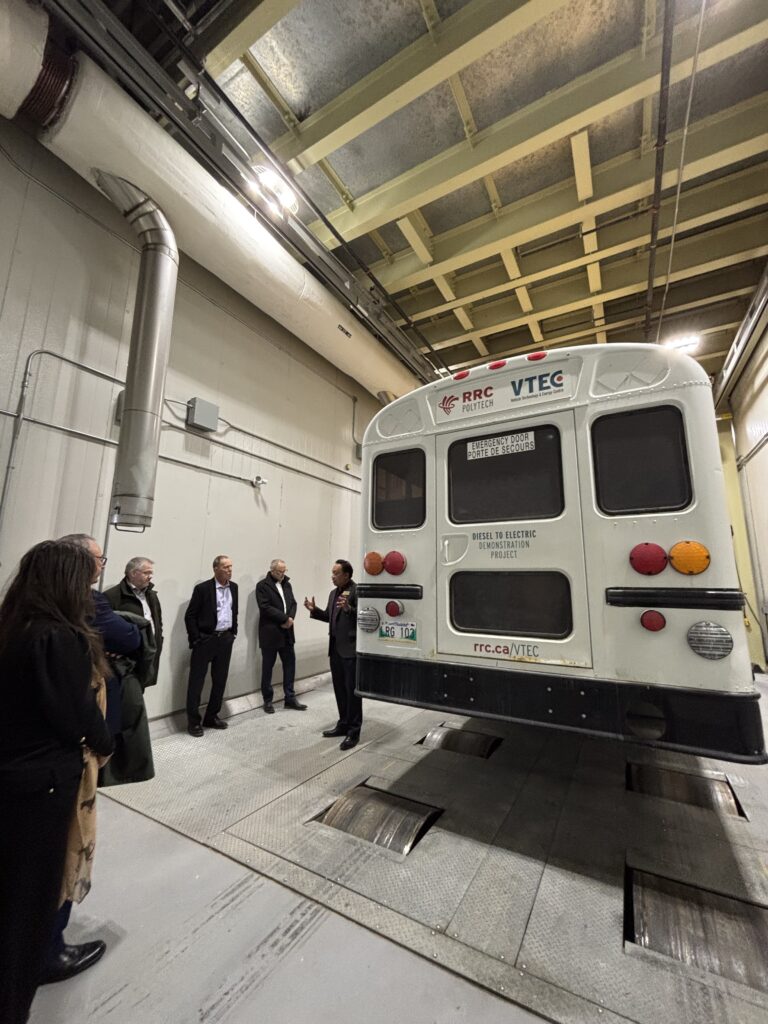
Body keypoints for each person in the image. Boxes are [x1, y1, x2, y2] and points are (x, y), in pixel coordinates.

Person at [0, 540, 114, 1024]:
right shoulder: (60, 638)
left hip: (9, 778)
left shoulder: (13, 628)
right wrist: (104, 740)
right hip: (44, 787)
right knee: (30, 905)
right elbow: (76, 717)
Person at [47, 533, 140, 982]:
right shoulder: (82, 616)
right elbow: (125, 640)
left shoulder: (24, 621)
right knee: (63, 846)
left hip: (32, 762)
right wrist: (102, 743)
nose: (102, 566)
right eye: (99, 559)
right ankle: (49, 949)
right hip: (61, 763)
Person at [304, 559, 361, 750]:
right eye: (332, 572)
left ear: (346, 575)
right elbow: (330, 617)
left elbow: (364, 617)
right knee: (339, 689)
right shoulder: (332, 593)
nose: (332, 576)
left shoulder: (356, 591)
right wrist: (315, 611)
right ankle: (343, 723)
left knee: (352, 692)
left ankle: (354, 731)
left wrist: (349, 610)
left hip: (350, 650)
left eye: (336, 573)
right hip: (335, 649)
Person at [185, 555, 238, 736]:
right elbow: (190, 616)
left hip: (225, 639)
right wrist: (197, 639)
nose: (229, 570)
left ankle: (211, 716)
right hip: (206, 640)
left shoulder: (234, 588)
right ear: (215, 569)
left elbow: (233, 611)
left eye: (231, 567)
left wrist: (233, 633)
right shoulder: (203, 589)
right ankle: (193, 722)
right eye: (225, 567)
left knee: (220, 680)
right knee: (196, 682)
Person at [256, 559, 307, 714]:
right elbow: (265, 607)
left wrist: (290, 618)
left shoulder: (287, 584)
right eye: (279, 572)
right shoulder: (262, 586)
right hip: (271, 633)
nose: (282, 574)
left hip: (287, 632)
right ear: (272, 570)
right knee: (267, 668)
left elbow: (293, 603)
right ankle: (267, 701)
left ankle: (290, 698)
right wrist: (284, 619)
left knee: (290, 665)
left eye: (284, 571)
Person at [103, 557, 163, 686]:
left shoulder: (151, 595)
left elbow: (158, 622)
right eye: (146, 572)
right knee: (128, 697)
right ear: (133, 573)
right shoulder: (112, 596)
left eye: (151, 573)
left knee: (141, 691)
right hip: (127, 659)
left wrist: (158, 640)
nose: (150, 576)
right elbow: (106, 630)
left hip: (148, 654)